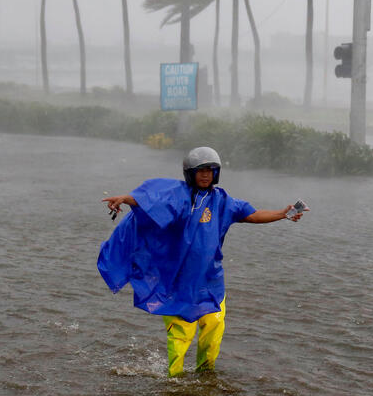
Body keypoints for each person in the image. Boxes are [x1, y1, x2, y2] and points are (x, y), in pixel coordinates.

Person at [97, 146, 306, 377]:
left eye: (210, 170)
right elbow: (151, 200)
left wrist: (283, 213)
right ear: (190, 173)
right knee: (180, 336)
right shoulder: (178, 196)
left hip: (211, 281)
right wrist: (126, 199)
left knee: (214, 330)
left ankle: (205, 376)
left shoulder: (222, 201)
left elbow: (253, 215)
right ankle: (174, 381)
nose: (206, 175)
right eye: (201, 170)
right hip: (179, 284)